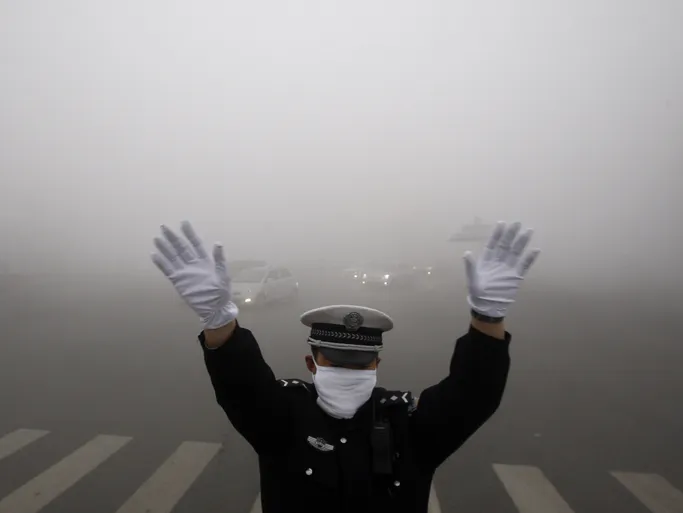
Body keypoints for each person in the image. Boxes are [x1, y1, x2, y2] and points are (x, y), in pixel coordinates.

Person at [150, 220, 540, 513]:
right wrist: (218, 321)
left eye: (359, 362)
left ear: (376, 365)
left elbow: (473, 393)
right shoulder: (283, 419)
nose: (348, 369)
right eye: (336, 360)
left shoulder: (408, 424)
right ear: (311, 363)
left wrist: (487, 318)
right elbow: (241, 384)